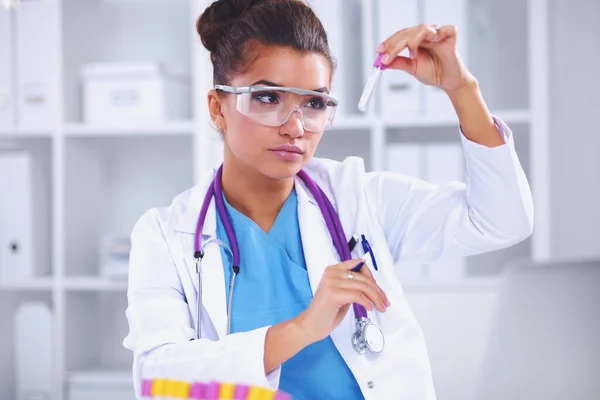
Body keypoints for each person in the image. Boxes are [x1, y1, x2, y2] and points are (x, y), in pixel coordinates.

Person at [123, 0, 534, 399]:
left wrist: (460, 87)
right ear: (218, 108)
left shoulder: (357, 197)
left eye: (315, 103)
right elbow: (157, 379)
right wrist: (303, 328)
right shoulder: (165, 235)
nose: (296, 127)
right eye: (268, 98)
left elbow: (502, 220)